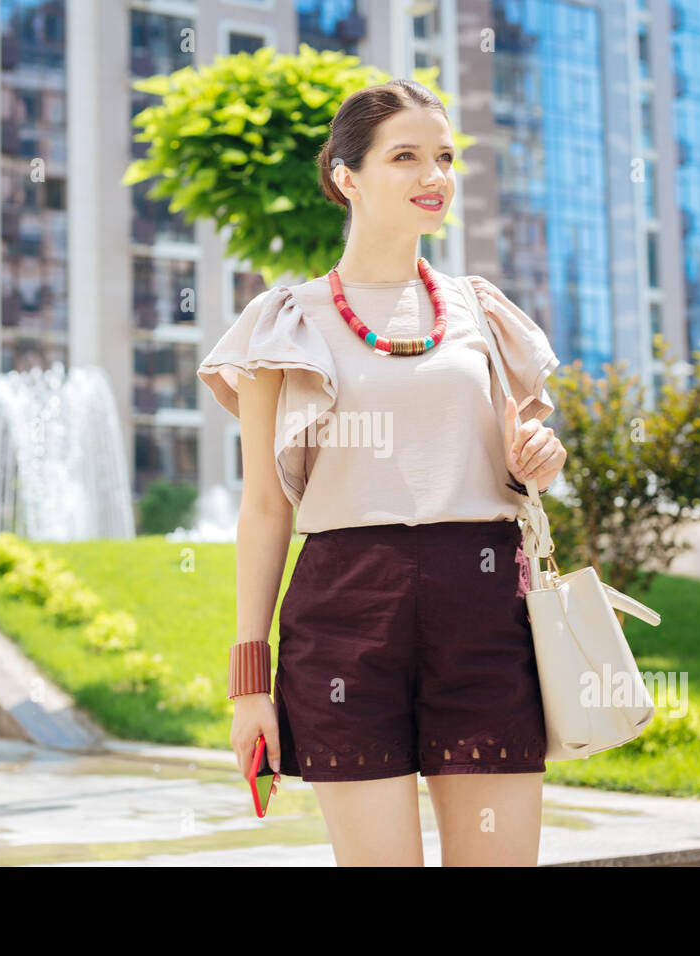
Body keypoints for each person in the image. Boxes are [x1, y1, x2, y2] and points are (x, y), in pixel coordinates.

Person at [196, 78, 567, 866]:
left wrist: (543, 458)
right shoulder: (283, 323)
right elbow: (264, 511)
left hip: (485, 613)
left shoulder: (480, 311)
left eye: (444, 156)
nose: (435, 176)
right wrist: (249, 686)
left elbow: (525, 450)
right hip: (345, 620)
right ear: (346, 177)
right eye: (406, 157)